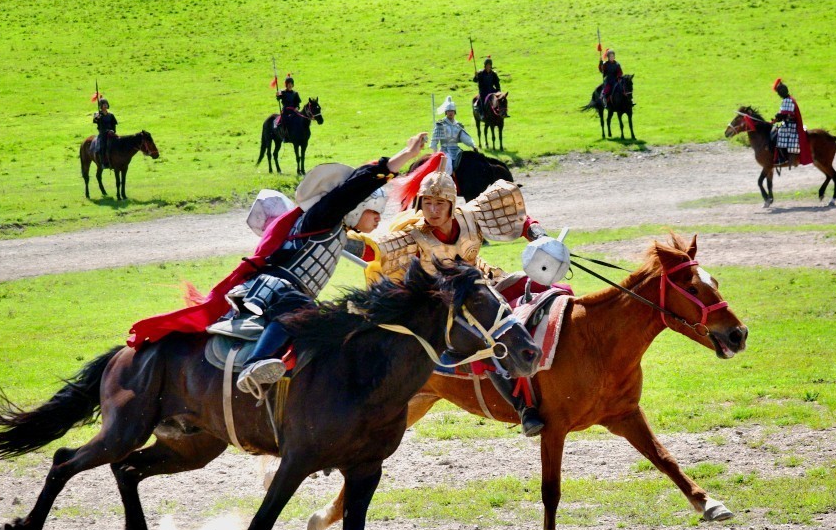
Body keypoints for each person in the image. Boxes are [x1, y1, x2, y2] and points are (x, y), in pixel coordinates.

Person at [126, 133, 430, 395]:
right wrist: (405, 156)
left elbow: (373, 253)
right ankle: (254, 363)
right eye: (374, 212)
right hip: (277, 288)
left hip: (292, 291)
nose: (378, 219)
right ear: (355, 207)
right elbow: (353, 188)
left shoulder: (337, 232)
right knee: (300, 311)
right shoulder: (321, 219)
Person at [372, 153, 567, 437]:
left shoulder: (470, 217)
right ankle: (523, 407)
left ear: (452, 204)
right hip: (448, 302)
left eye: (440, 203)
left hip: (484, 281)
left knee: (543, 289)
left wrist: (538, 234)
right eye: (427, 203)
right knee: (485, 336)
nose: (433, 210)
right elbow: (377, 250)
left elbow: (514, 216)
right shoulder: (413, 236)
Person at [771, 78, 812, 166]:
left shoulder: (787, 100)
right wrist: (777, 118)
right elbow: (783, 113)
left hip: (791, 125)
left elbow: (784, 114)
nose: (778, 94)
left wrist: (777, 118)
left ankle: (782, 158)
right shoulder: (788, 99)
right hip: (787, 123)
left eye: (778, 93)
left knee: (780, 135)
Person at [431, 96, 476, 173]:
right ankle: (445, 179)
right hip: (445, 150)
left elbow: (464, 137)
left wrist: (473, 145)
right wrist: (435, 153)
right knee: (448, 165)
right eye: (448, 111)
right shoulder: (441, 124)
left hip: (457, 150)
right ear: (446, 112)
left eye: (452, 111)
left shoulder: (458, 125)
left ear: (455, 112)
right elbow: (434, 141)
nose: (450, 113)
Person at [92, 99, 118, 168]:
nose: (105, 105)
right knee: (103, 146)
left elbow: (114, 124)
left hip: (111, 133)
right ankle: (103, 162)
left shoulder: (111, 115)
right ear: (101, 105)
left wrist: (113, 131)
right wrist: (97, 118)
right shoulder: (97, 114)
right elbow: (95, 120)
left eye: (106, 104)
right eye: (104, 104)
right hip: (103, 133)